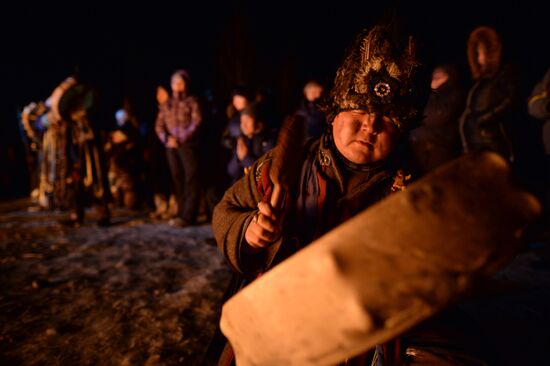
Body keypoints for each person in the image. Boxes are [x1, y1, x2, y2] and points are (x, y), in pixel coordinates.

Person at [211, 24, 430, 365]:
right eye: (358, 111)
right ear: (333, 116)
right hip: (276, 316)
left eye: (386, 120)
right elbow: (229, 208)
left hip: (359, 331)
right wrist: (250, 232)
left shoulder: (413, 188)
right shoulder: (284, 165)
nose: (370, 126)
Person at [458, 25, 520, 163]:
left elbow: (509, 100)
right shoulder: (481, 81)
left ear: (491, 52)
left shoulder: (505, 74)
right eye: (477, 53)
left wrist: (485, 118)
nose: (479, 58)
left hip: (491, 141)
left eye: (482, 53)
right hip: (474, 142)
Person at [155, 69, 203, 227]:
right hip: (171, 147)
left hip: (188, 146)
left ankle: (189, 214)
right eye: (175, 83)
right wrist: (167, 139)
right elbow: (159, 125)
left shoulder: (192, 102)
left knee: (191, 178)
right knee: (178, 178)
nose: (178, 86)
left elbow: (196, 121)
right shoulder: (167, 105)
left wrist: (182, 138)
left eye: (181, 82)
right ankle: (181, 212)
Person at [410, 64, 466, 173]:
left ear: (450, 77)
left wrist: (417, 115)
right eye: (434, 74)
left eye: (440, 75)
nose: (435, 77)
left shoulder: (455, 94)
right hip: (416, 146)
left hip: (438, 148)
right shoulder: (426, 93)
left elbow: (436, 117)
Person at [226, 101, 276, 184]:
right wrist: (238, 158)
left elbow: (265, 170)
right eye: (242, 121)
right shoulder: (243, 139)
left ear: (259, 123)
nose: (243, 125)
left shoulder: (269, 140)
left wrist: (245, 158)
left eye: (247, 121)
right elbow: (231, 171)